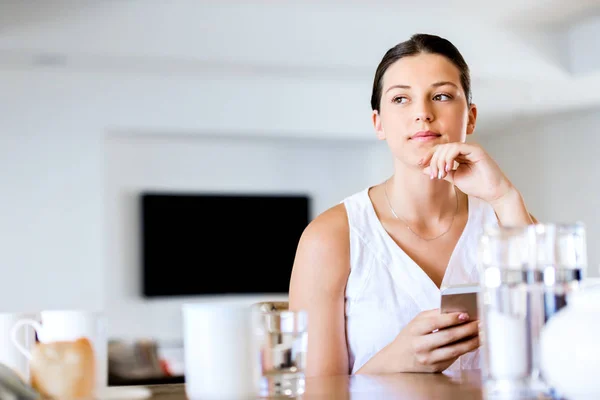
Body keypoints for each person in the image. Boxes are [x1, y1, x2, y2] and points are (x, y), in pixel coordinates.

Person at [288, 33, 536, 377]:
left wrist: (504, 197)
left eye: (442, 96)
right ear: (378, 123)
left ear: (470, 117)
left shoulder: (509, 221)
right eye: (401, 99)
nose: (423, 113)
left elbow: (556, 347)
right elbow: (314, 394)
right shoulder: (330, 238)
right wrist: (397, 361)